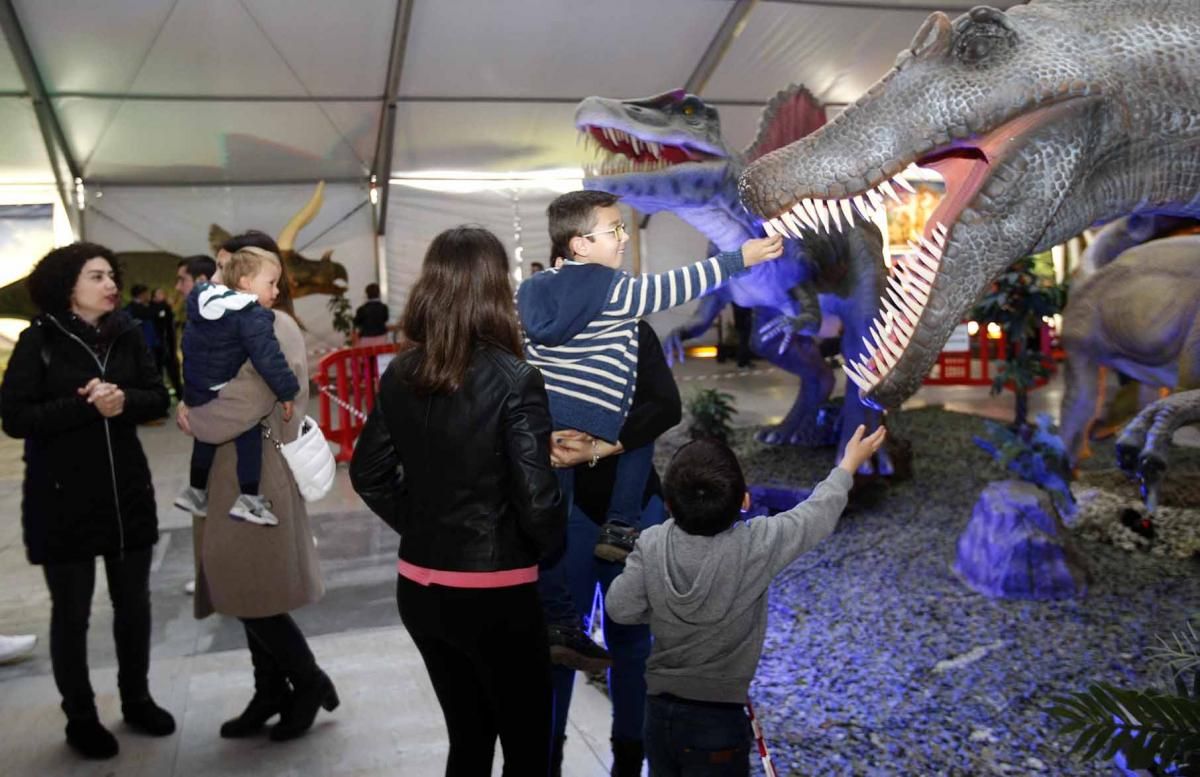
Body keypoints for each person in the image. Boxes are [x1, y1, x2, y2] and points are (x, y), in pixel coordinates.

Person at [517, 190, 783, 664]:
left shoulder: (530, 292)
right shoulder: (615, 290)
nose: (622, 238)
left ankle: (557, 620)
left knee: (550, 523)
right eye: (613, 230)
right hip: (600, 417)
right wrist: (740, 258)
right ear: (580, 245)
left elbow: (526, 355)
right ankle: (620, 527)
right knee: (636, 436)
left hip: (548, 428)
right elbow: (678, 285)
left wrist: (539, 429)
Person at [350, 226, 565, 777]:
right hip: (495, 592)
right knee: (526, 748)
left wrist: (425, 523)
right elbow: (538, 501)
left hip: (420, 588)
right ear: (497, 288)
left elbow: (368, 473)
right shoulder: (517, 379)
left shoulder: (402, 371)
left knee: (467, 740)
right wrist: (542, 545)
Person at [606, 424, 887, 776]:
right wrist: (847, 466)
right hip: (719, 721)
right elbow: (815, 517)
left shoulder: (652, 543)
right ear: (745, 501)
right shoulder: (757, 545)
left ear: (668, 505)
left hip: (659, 713)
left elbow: (620, 608)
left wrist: (659, 602)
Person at [0, 242, 174, 760]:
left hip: (127, 494)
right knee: (71, 613)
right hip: (61, 498)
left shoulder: (127, 334)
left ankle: (137, 699)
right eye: (96, 275)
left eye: (111, 275)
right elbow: (14, 418)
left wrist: (122, 401)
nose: (110, 284)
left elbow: (157, 396)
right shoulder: (40, 342)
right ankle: (81, 717)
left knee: (134, 605)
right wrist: (83, 407)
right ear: (66, 286)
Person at [178, 250, 336, 743]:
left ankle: (307, 682)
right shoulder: (233, 319)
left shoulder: (272, 326)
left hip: (258, 477)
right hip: (231, 475)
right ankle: (270, 691)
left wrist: (194, 416)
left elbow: (247, 401)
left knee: (254, 595)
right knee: (249, 591)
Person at [543, 320, 681, 776]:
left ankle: (628, 759)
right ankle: (548, 759)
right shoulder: (545, 331)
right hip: (567, 507)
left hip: (636, 507)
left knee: (633, 642)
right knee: (561, 642)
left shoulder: (633, 330)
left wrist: (599, 444)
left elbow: (665, 406)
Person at [174, 247, 299, 526]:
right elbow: (269, 359)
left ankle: (195, 490)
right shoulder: (251, 315)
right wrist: (286, 391)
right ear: (245, 282)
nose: (276, 291)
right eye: (271, 283)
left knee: (203, 438)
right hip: (219, 383)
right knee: (249, 432)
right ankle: (249, 497)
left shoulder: (204, 302)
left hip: (195, 384)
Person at [150, 287, 183, 398]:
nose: (163, 295)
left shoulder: (167, 308)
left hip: (169, 345)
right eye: (159, 293)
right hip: (159, 347)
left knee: (174, 371)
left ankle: (179, 393)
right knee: (161, 372)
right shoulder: (154, 309)